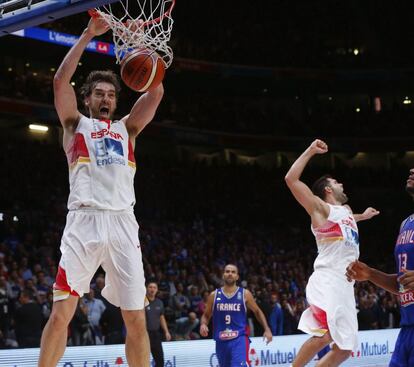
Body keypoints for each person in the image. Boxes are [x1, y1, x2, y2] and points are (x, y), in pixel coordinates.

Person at [38, 14, 164, 367]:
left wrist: (138, 44)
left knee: (135, 317)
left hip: (124, 224)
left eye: (111, 94)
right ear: (88, 99)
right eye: (99, 94)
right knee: (62, 311)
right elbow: (60, 80)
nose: (106, 98)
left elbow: (156, 90)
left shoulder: (129, 129)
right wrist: (88, 34)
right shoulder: (75, 124)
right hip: (85, 221)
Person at [284, 139, 379, 367]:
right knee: (324, 334)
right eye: (336, 182)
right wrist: (310, 151)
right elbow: (290, 180)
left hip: (345, 286)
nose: (341, 184)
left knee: (345, 348)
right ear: (328, 189)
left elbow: (347, 218)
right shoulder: (320, 209)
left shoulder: (344, 211)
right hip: (327, 280)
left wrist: (362, 217)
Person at [346, 167, 414, 367]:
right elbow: (403, 283)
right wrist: (371, 274)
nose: (411, 169)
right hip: (407, 329)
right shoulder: (406, 224)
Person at [200, 264, 272, 367]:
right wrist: (203, 324)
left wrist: (267, 328)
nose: (230, 274)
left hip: (239, 339)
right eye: (227, 271)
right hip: (221, 340)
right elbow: (206, 315)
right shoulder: (214, 295)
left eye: (233, 272)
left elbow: (257, 311)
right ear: (223, 275)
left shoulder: (245, 294)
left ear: (237, 276)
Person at [145, 281, 171, 367]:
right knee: (143, 361)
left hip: (156, 334)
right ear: (146, 288)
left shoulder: (159, 302)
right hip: (144, 335)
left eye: (154, 287)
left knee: (160, 361)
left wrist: (166, 331)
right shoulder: (142, 302)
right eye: (150, 287)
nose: (152, 289)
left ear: (157, 290)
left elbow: (161, 318)